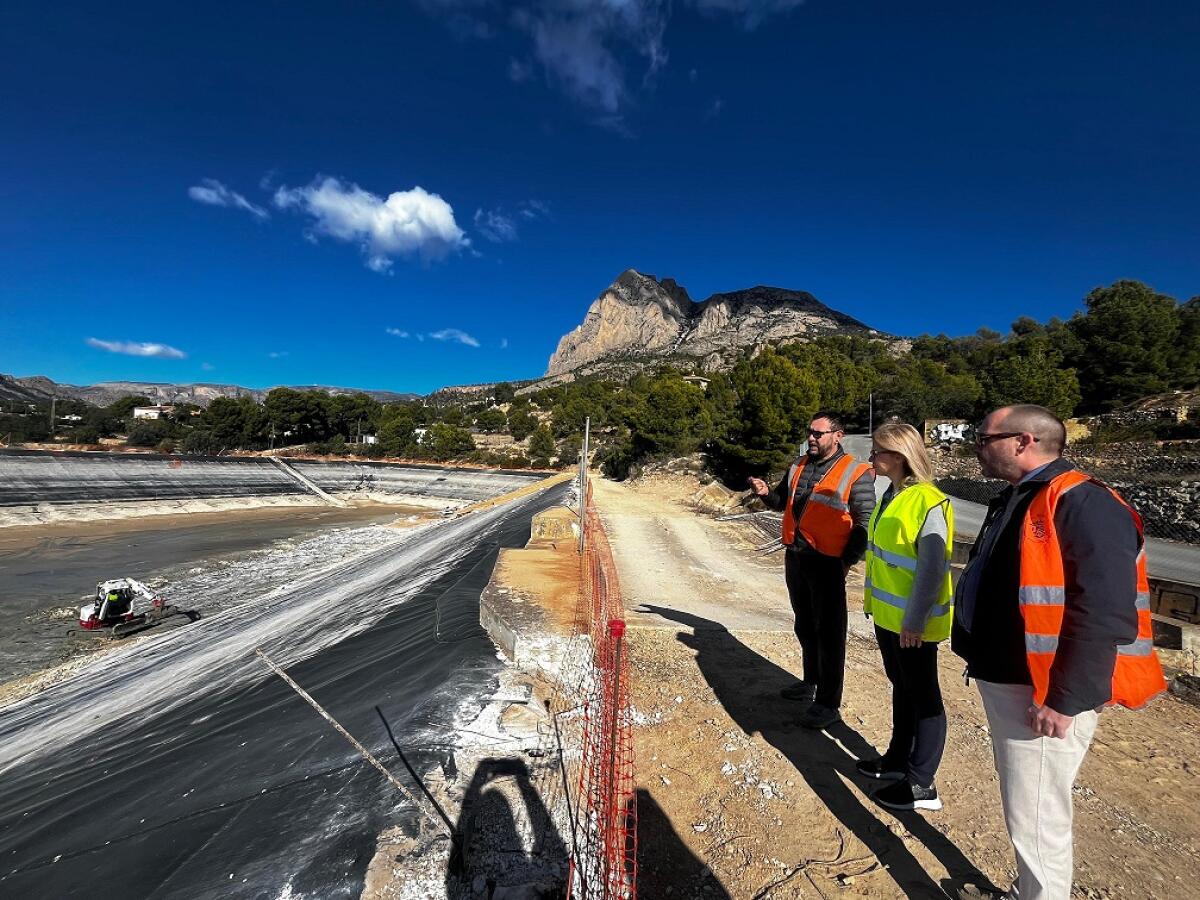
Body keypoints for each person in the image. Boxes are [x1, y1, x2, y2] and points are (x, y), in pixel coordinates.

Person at [951, 405, 1166, 900]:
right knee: (1026, 805)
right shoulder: (1022, 496)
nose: (975, 447)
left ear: (1023, 441)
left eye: (984, 438)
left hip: (1043, 690)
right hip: (1015, 678)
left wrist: (1065, 698)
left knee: (1037, 814)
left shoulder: (1084, 503)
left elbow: (1105, 612)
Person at [749, 412, 875, 729]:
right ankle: (810, 683)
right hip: (797, 556)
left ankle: (828, 703)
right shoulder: (799, 465)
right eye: (810, 433)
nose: (812, 438)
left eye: (819, 434)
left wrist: (846, 562)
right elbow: (783, 502)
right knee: (805, 625)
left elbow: (865, 523)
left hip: (829, 563)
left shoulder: (855, 472)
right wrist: (766, 494)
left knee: (830, 634)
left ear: (838, 435)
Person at [857, 423, 954, 812]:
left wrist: (913, 621)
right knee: (902, 686)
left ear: (899, 456)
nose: (872, 457)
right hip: (889, 617)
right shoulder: (891, 495)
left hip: (912, 623)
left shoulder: (929, 501)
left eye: (878, 451)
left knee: (925, 696)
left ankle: (921, 784)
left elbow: (932, 570)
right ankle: (897, 760)